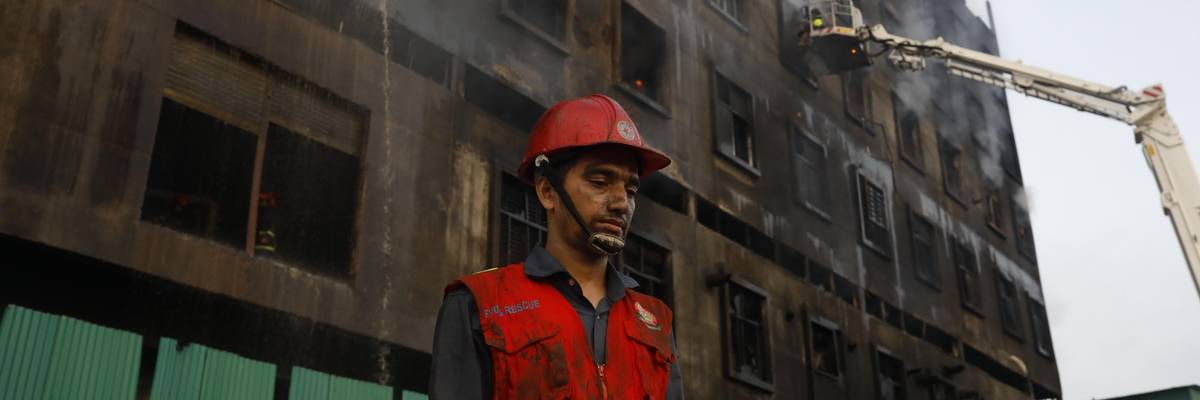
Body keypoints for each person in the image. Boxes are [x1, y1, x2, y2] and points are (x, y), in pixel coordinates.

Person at [429, 94, 683, 399]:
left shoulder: (655, 323)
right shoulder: (478, 305)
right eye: (600, 182)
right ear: (548, 191)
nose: (621, 203)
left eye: (630, 189)